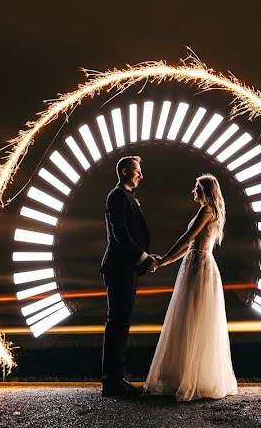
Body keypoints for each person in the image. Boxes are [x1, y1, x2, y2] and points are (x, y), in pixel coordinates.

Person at [143, 173, 239, 401]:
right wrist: (166, 260)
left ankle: (188, 377)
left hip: (198, 266)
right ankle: (192, 375)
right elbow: (191, 245)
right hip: (197, 262)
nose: (192, 191)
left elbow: (188, 238)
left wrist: (164, 258)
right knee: (192, 318)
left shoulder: (206, 211)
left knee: (191, 318)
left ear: (204, 190)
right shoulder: (211, 211)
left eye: (196, 187)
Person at [100, 155, 161, 398]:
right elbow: (120, 234)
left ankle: (117, 378)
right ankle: (112, 380)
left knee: (120, 322)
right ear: (125, 171)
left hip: (126, 266)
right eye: (137, 171)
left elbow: (128, 234)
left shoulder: (126, 197)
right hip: (120, 267)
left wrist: (145, 255)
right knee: (117, 322)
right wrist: (144, 258)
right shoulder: (117, 196)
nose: (141, 175)